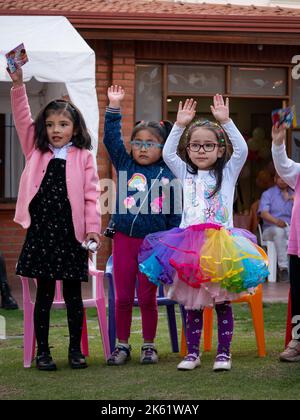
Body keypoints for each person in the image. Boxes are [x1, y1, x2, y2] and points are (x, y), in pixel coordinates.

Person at [139, 96, 268, 372]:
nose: (201, 150)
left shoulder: (229, 172)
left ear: (220, 150)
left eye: (208, 145)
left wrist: (226, 121)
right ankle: (193, 353)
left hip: (221, 245)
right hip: (189, 246)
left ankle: (224, 354)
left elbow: (242, 151)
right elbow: (168, 154)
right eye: (195, 145)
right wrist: (179, 125)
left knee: (221, 301)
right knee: (192, 303)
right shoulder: (185, 172)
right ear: (188, 148)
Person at [8, 67, 101, 371]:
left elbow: (90, 198)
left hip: (72, 236)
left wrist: (92, 232)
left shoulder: (84, 157)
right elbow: (23, 120)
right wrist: (19, 85)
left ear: (75, 128)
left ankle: (76, 351)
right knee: (44, 296)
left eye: (63, 124)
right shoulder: (36, 151)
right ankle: (43, 352)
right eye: (50, 125)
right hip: (41, 235)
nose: (56, 129)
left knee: (74, 296)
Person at [103, 85, 181, 366]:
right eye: (138, 142)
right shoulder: (124, 165)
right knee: (123, 297)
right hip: (124, 239)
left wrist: (170, 243)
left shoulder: (170, 171)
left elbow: (175, 215)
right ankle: (121, 345)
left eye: (151, 143)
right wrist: (114, 107)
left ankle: (149, 346)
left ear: (163, 147)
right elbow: (111, 140)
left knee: (147, 298)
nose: (143, 148)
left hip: (154, 245)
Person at [272, 123, 300, 362]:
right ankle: (297, 341)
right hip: (298, 247)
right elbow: (283, 165)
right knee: (299, 295)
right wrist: (279, 143)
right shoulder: (298, 173)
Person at [258, 173, 294, 282]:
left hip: (289, 228)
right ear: (275, 179)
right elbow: (263, 213)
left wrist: (294, 200)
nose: (282, 180)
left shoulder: (294, 194)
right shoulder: (268, 194)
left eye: (285, 178)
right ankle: (283, 268)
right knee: (279, 231)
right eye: (280, 178)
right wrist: (277, 221)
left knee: (291, 233)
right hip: (270, 229)